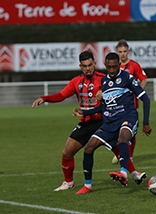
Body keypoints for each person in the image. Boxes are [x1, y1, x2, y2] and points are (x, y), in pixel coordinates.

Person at [75, 52, 152, 194]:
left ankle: (123, 172)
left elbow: (145, 99)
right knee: (89, 147)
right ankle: (88, 185)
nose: (112, 70)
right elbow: (104, 106)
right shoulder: (104, 81)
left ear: (119, 65)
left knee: (122, 138)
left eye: (114, 67)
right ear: (105, 66)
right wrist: (85, 112)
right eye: (109, 67)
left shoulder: (128, 78)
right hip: (110, 122)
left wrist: (146, 123)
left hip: (127, 117)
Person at [31, 51, 105, 191]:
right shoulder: (76, 81)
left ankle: (130, 173)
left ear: (95, 64)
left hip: (103, 121)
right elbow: (61, 95)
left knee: (119, 148)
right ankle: (69, 182)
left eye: (90, 65)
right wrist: (45, 98)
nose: (88, 68)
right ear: (80, 66)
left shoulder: (104, 79)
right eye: (84, 66)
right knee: (67, 152)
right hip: (85, 124)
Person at [110, 39, 148, 164]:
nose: (122, 54)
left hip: (131, 105)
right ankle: (121, 150)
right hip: (116, 105)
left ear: (128, 52)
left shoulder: (134, 66)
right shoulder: (113, 67)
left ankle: (128, 155)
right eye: (120, 51)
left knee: (130, 131)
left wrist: (138, 92)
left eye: (124, 51)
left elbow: (143, 79)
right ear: (116, 52)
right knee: (116, 129)